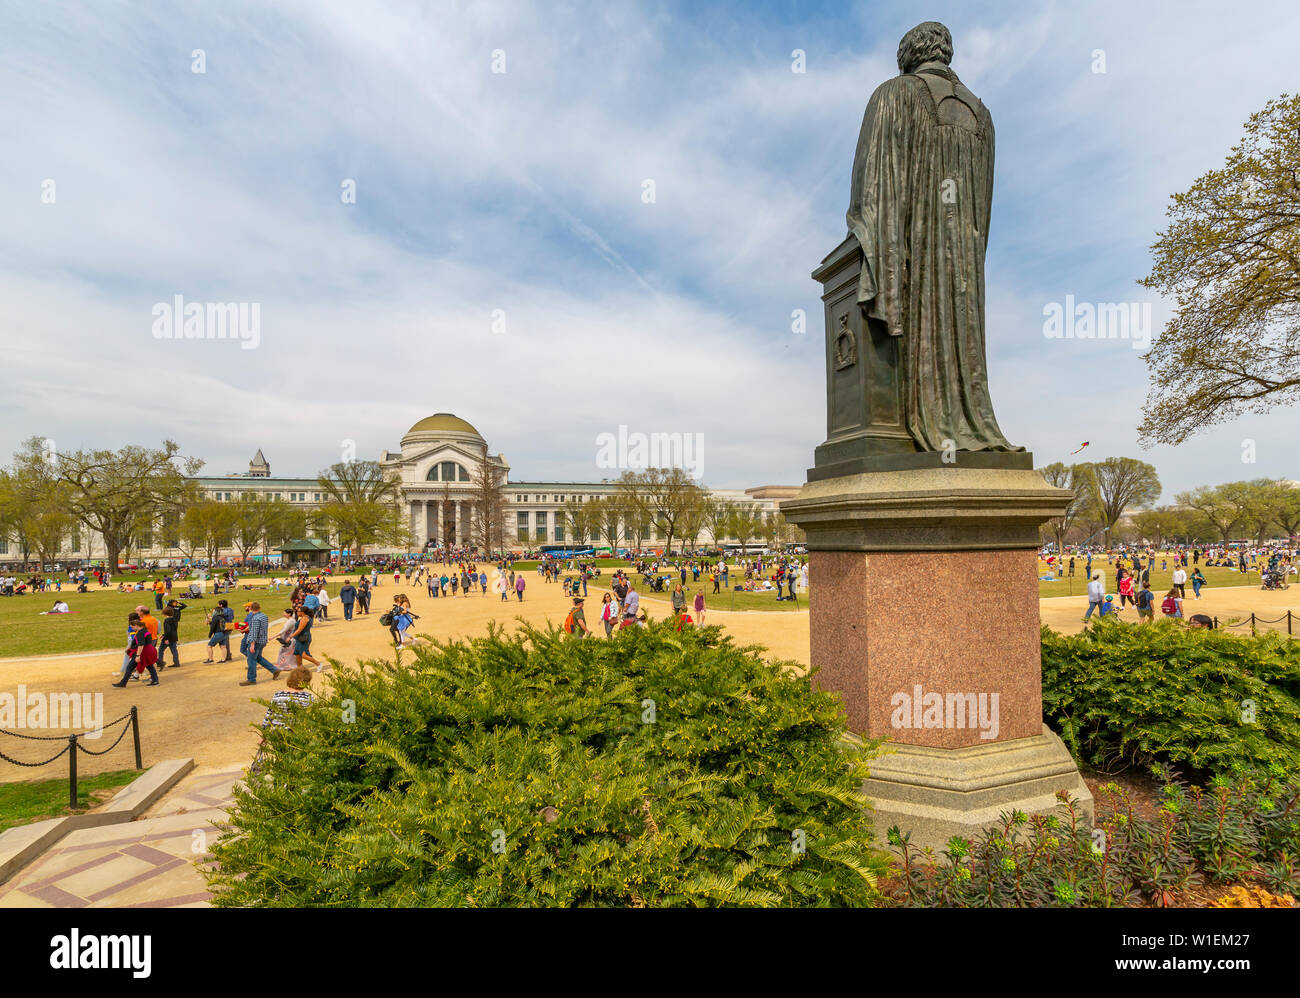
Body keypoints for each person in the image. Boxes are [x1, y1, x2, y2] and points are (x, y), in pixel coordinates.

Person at [239, 602, 281, 686]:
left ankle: (251, 679)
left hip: (256, 642)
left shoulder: (254, 619)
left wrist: (252, 644)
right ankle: (274, 670)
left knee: (251, 660)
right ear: (259, 608)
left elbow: (254, 632)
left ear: (250, 609)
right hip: (263, 640)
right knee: (258, 658)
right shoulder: (264, 616)